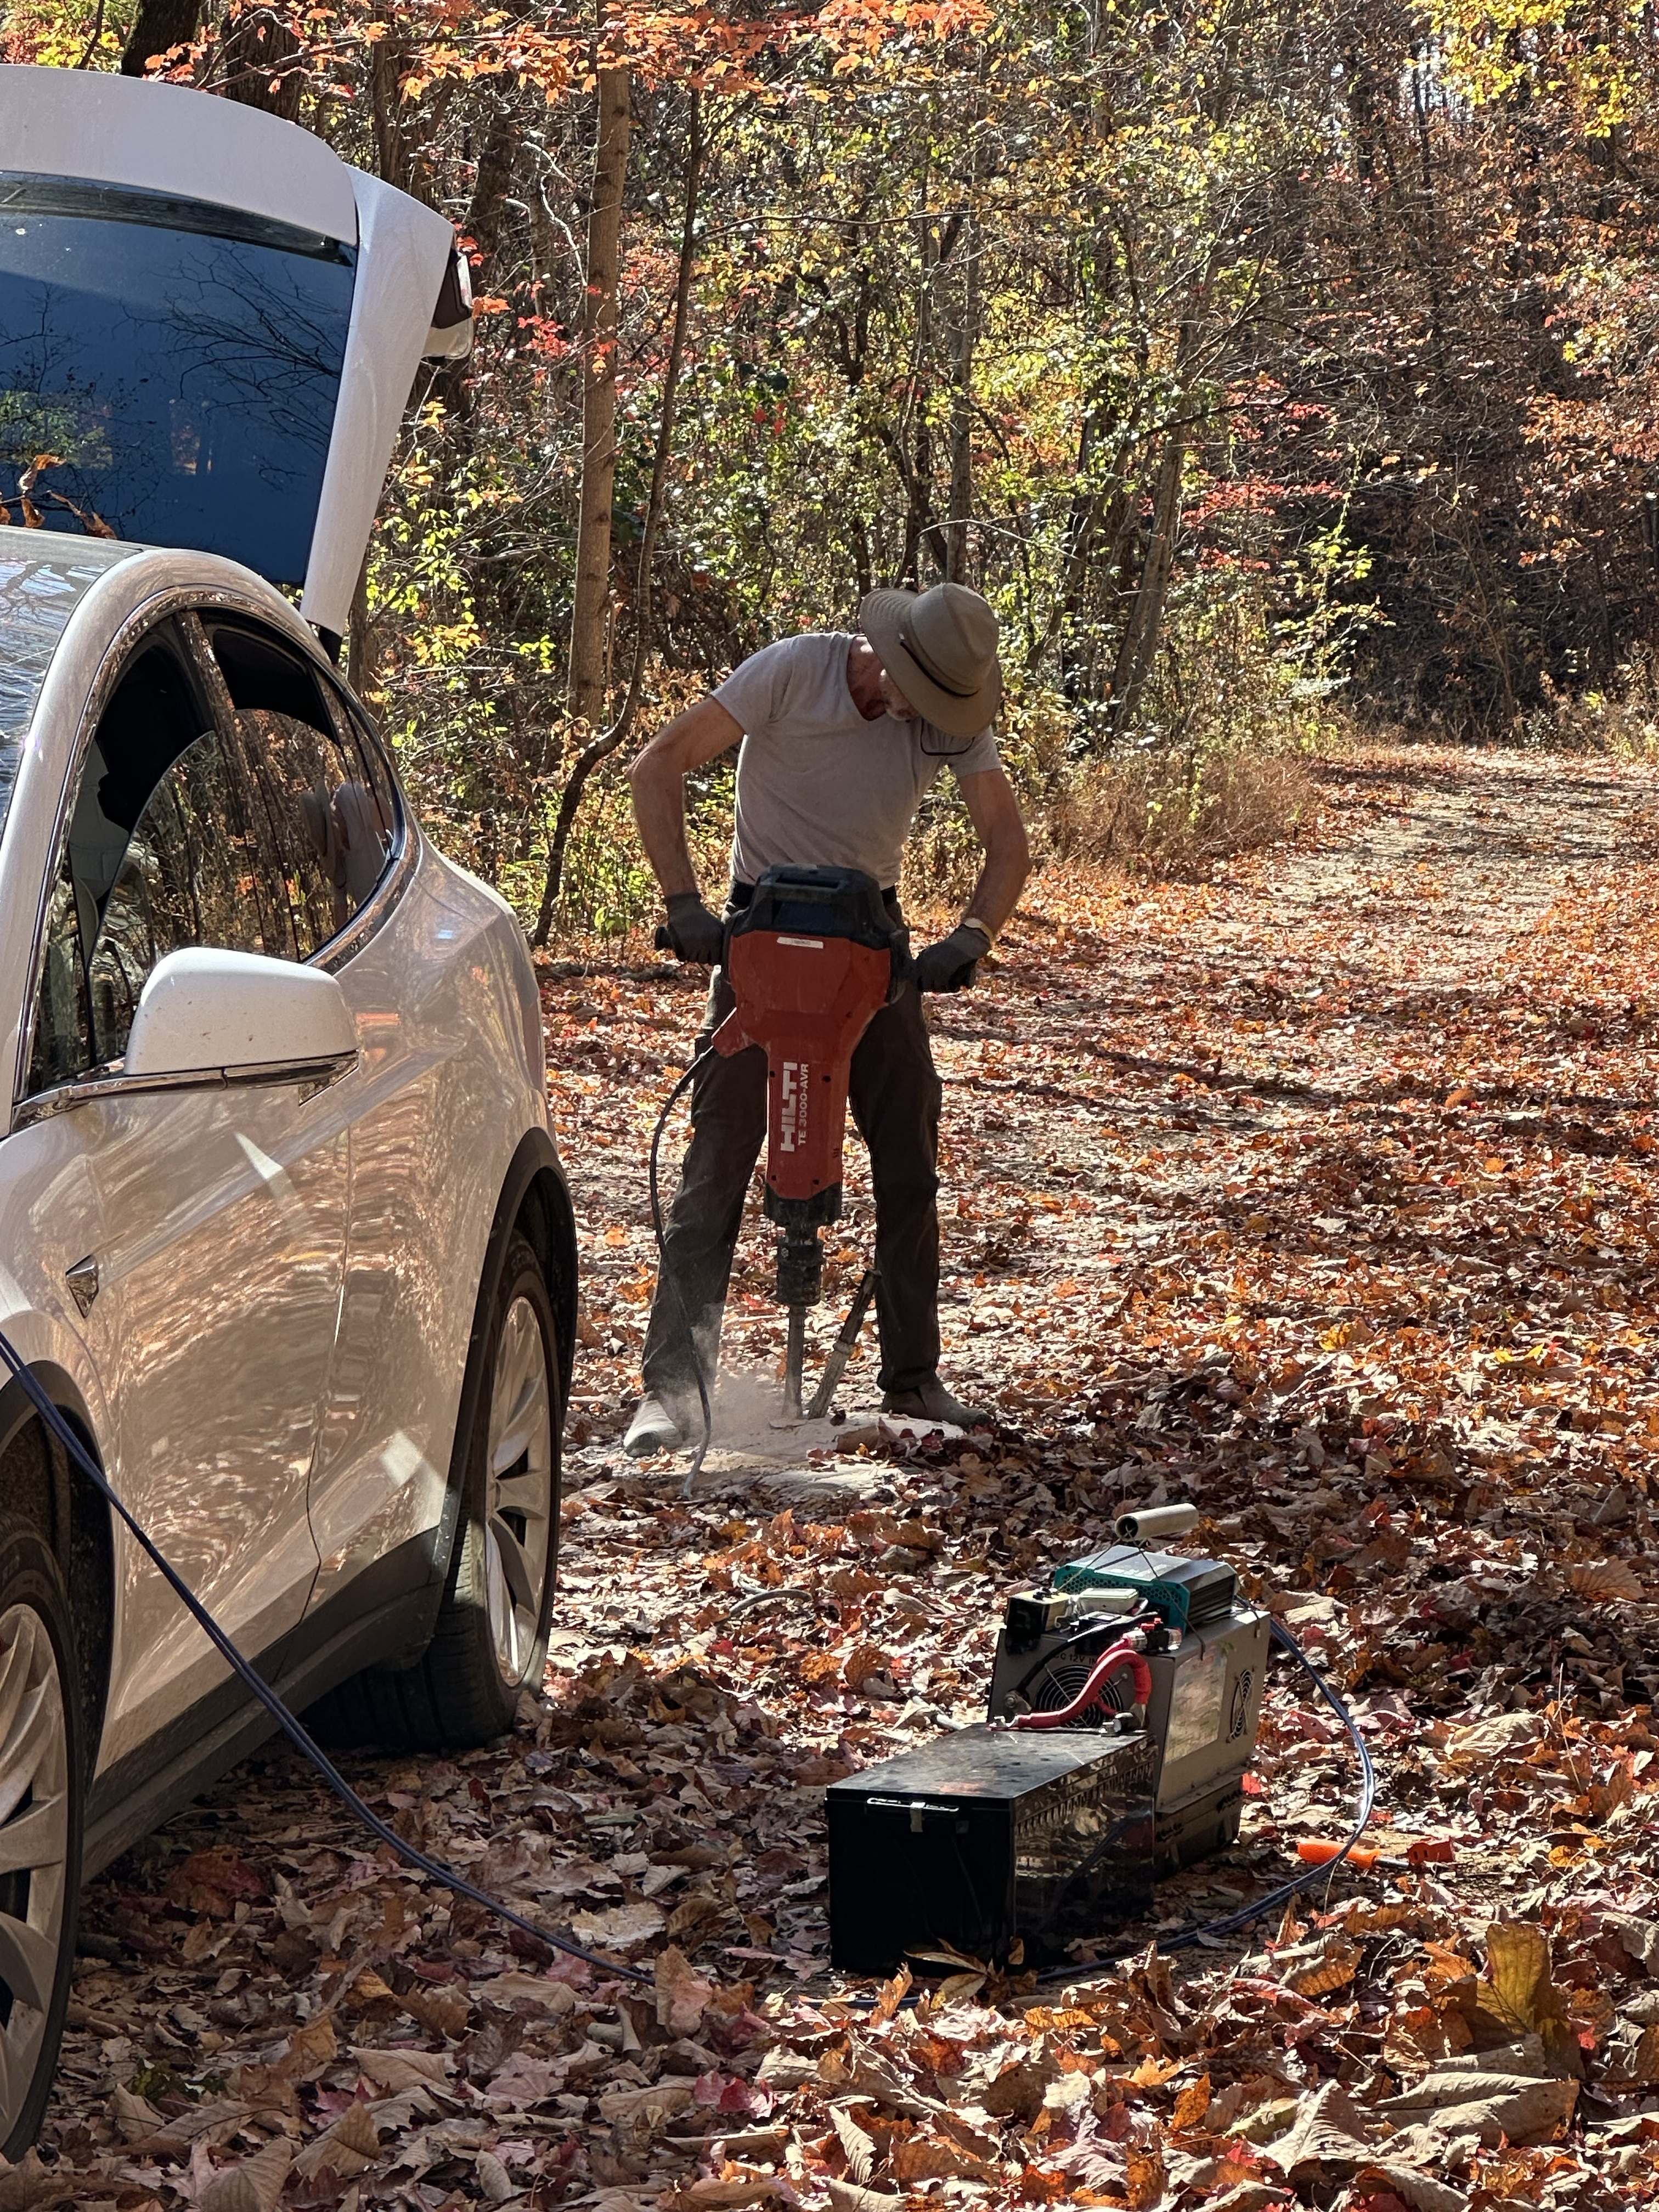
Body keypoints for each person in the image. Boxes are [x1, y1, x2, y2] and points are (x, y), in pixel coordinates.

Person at [623, 580, 1032, 1457]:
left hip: (870, 942)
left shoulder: (951, 714)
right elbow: (655, 767)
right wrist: (684, 903)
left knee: (908, 1146)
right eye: (907, 692)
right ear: (883, 650)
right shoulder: (790, 673)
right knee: (718, 1154)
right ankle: (670, 1390)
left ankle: (914, 1378)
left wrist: (973, 935)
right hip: (762, 933)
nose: (913, 715)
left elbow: (1007, 839)